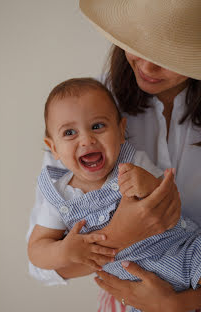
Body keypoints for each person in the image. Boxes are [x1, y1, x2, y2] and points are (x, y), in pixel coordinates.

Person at [27, 77, 201, 312]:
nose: (87, 140)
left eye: (97, 126)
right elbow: (36, 252)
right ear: (54, 147)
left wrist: (148, 183)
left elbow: (168, 200)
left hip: (184, 251)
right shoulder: (60, 195)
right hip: (138, 290)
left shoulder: (133, 162)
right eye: (69, 132)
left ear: (121, 131)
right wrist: (64, 250)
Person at [77, 0, 201, 311]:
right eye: (139, 43)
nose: (146, 67)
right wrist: (119, 233)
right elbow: (48, 262)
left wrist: (179, 304)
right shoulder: (90, 108)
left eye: (169, 54)